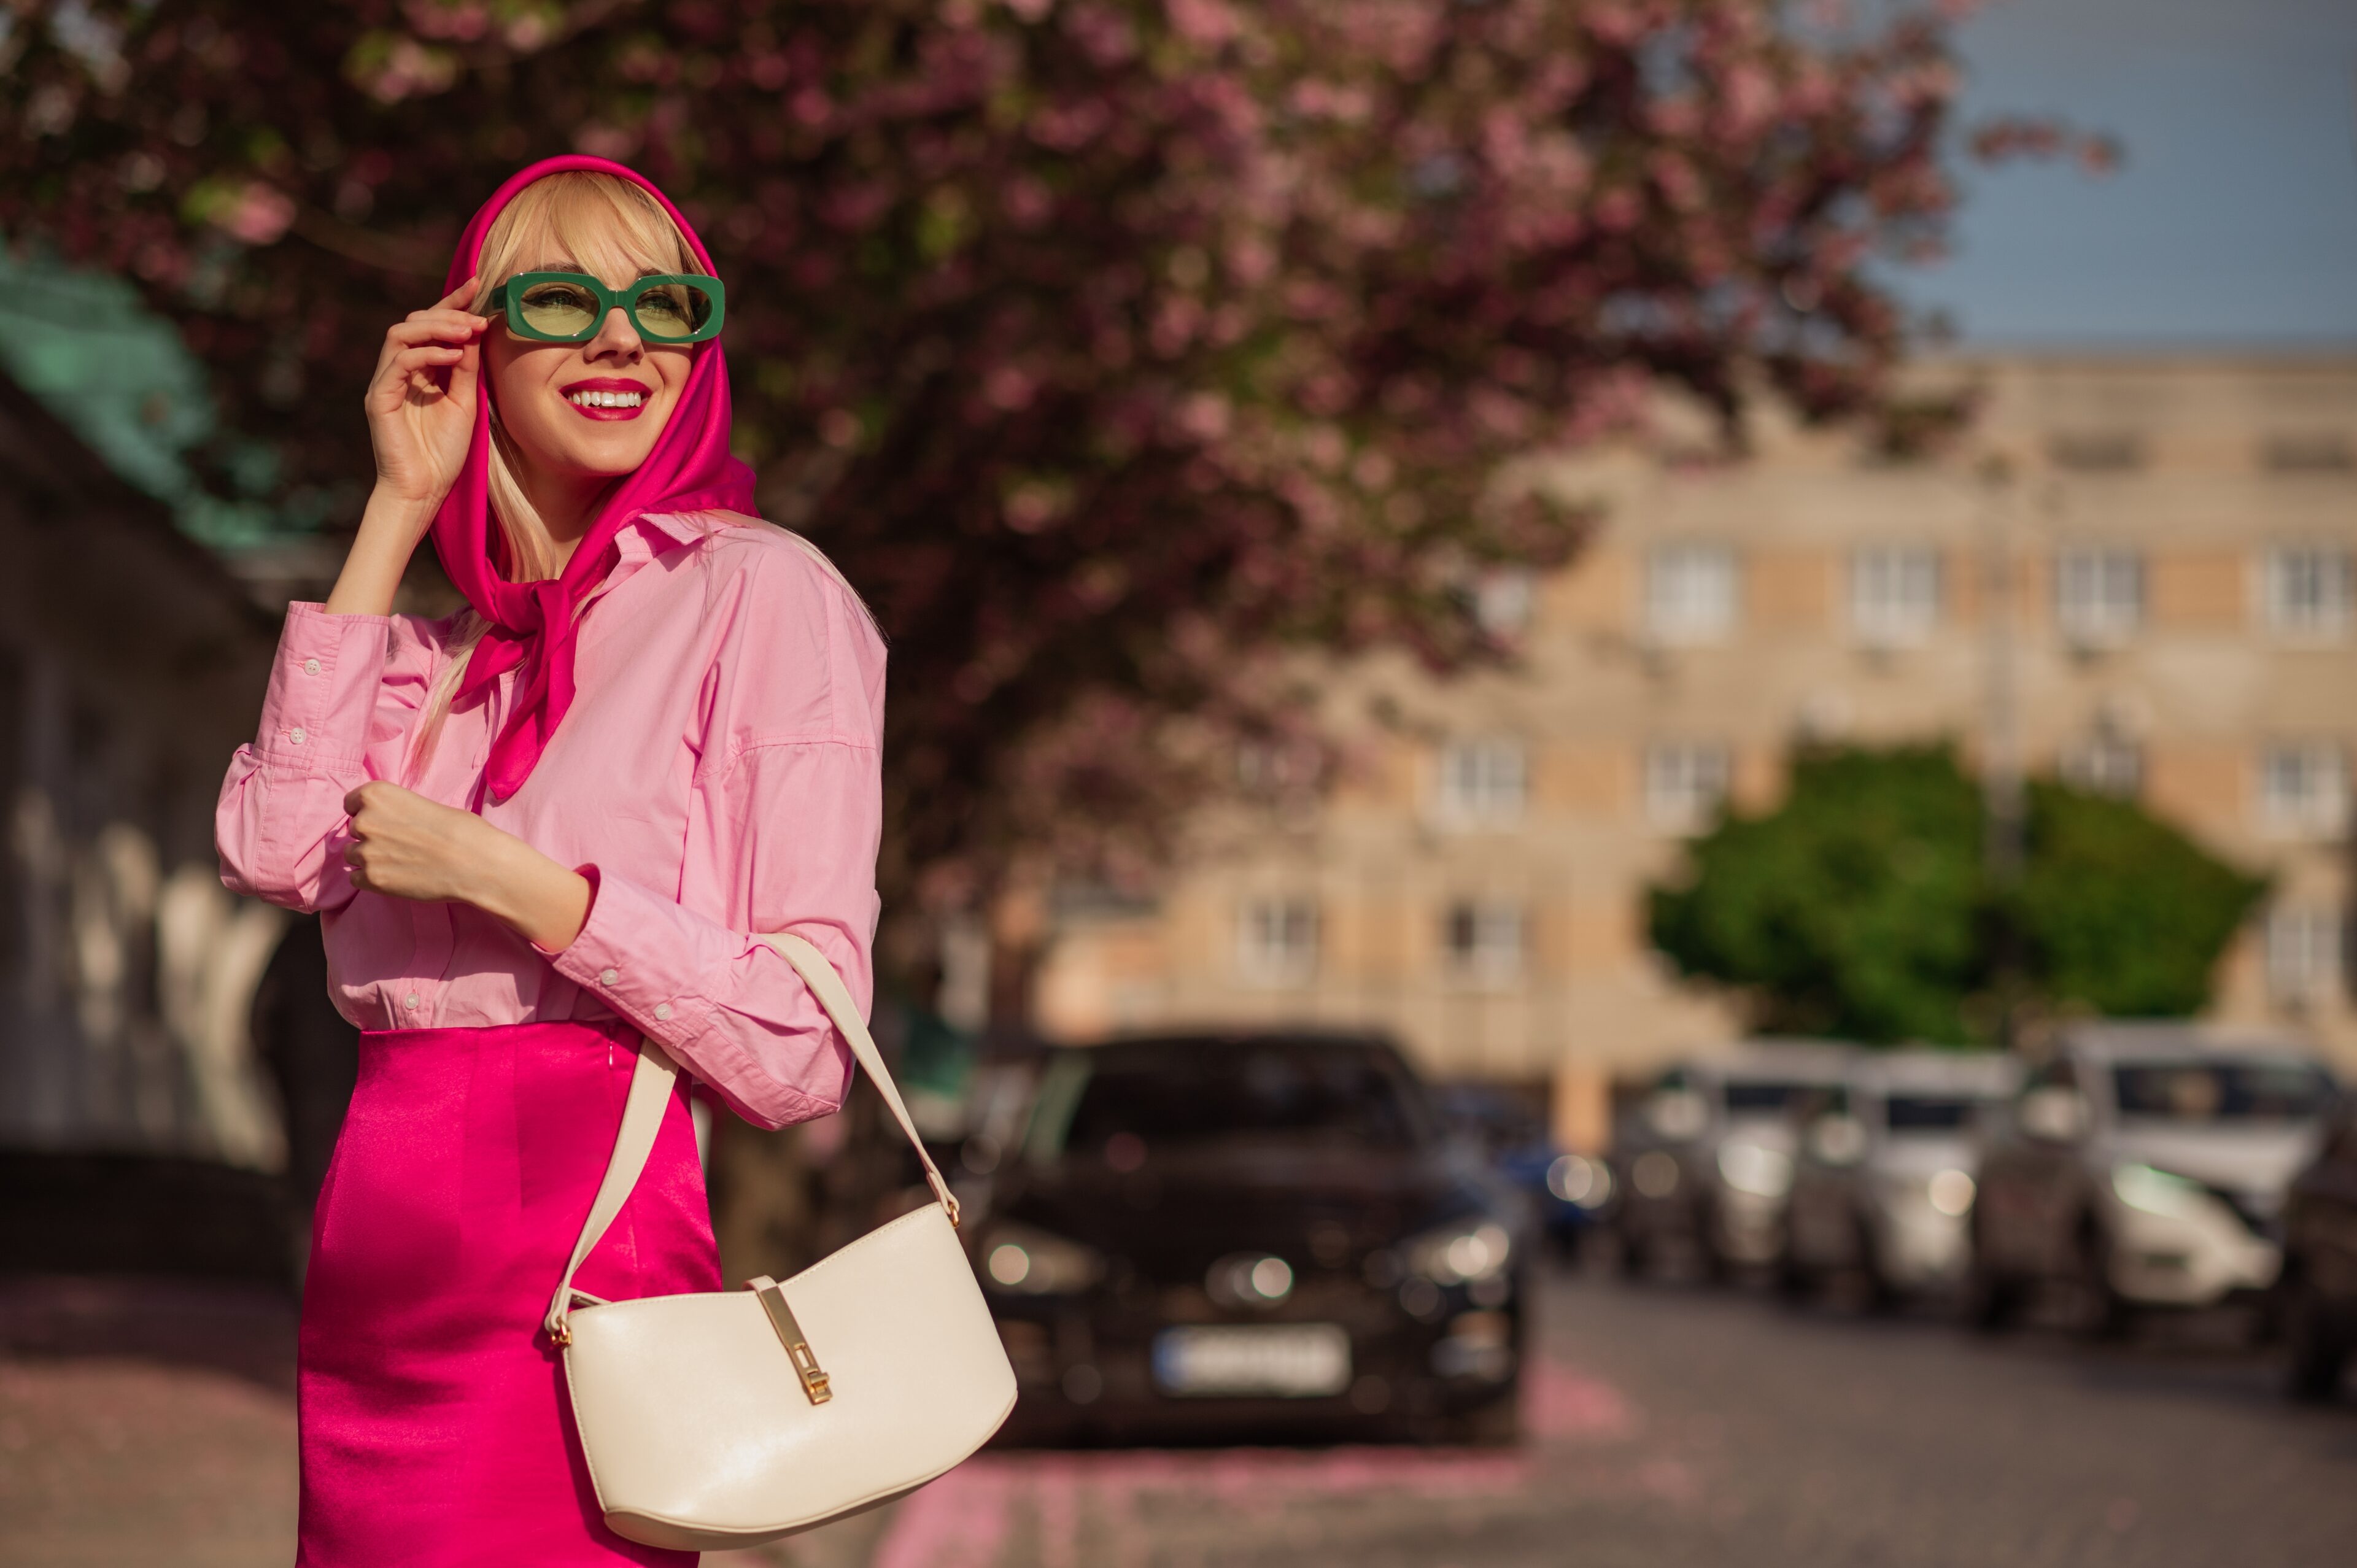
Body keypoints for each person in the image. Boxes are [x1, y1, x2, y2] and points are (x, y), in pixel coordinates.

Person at [215, 156, 884, 1566]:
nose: (623, 339)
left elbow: (802, 1042)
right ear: (478, 339)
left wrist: (518, 885)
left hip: (581, 1238)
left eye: (668, 305)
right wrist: (399, 505)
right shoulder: (445, 660)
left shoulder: (762, 593)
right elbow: (278, 851)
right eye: (565, 299)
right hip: (378, 1242)